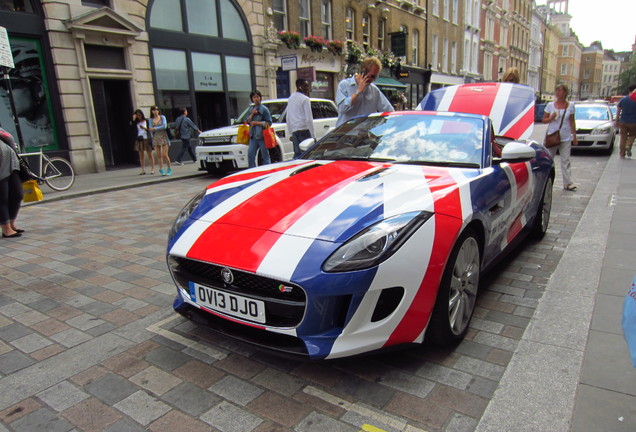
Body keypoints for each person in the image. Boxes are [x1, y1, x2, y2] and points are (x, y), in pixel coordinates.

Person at [335, 56, 394, 127]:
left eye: (375, 77)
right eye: (372, 76)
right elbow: (342, 109)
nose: (373, 80)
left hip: (364, 135)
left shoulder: (374, 90)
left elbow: (389, 110)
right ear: (363, 71)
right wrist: (358, 92)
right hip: (347, 134)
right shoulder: (344, 85)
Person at [542, 83, 578, 191]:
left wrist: (574, 135)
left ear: (565, 93)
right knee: (549, 159)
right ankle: (545, 181)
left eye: (561, 90)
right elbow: (544, 120)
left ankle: (568, 183)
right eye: (557, 90)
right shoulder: (550, 106)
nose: (558, 93)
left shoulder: (570, 106)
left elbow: (572, 121)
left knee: (565, 160)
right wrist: (551, 118)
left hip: (565, 136)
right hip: (552, 136)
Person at [0, 128, 24, 238]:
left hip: (11, 164)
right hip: (1, 168)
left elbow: (9, 137)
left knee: (18, 194)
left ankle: (11, 223)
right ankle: (6, 229)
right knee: (2, 199)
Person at [286, 79, 314, 158]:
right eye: (305, 85)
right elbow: (309, 118)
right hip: (304, 129)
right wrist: (312, 135)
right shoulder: (305, 99)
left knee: (298, 154)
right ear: (300, 87)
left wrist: (290, 132)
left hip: (295, 130)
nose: (308, 88)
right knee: (307, 154)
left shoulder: (290, 98)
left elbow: (288, 117)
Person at [246, 90, 272, 168]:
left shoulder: (264, 109)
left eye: (257, 97)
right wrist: (252, 114)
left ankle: (267, 170)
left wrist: (257, 123)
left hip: (262, 136)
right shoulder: (251, 109)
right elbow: (247, 121)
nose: (256, 99)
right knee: (250, 154)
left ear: (260, 98)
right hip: (253, 136)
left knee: (265, 155)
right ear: (252, 99)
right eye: (254, 97)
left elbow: (269, 123)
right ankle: (252, 170)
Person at [148, 105, 172, 176]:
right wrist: (152, 129)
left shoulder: (162, 117)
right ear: (152, 111)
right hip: (156, 137)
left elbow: (164, 126)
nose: (155, 111)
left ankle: (169, 168)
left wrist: (155, 128)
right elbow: (150, 129)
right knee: (159, 156)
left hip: (164, 137)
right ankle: (161, 169)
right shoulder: (150, 120)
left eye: (156, 110)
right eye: (154, 110)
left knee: (165, 154)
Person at [616, 84, 636, 158]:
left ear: (629, 90)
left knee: (623, 137)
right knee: (633, 135)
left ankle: (622, 153)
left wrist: (617, 120)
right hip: (634, 122)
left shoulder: (624, 99)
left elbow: (618, 109)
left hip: (623, 121)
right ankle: (628, 144)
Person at [132, 109, 154, 175]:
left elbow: (150, 130)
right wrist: (133, 119)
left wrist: (144, 128)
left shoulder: (146, 121)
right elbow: (132, 128)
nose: (139, 116)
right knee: (141, 155)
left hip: (146, 138)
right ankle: (143, 169)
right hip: (139, 139)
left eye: (139, 115)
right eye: (137, 115)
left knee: (149, 154)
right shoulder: (136, 123)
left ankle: (152, 169)